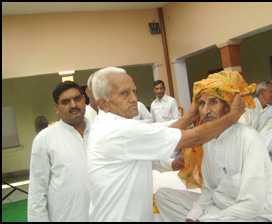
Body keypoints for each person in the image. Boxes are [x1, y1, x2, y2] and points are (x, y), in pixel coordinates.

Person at [87, 66, 245, 222]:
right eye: (124, 93)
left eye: (134, 91)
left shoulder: (108, 125)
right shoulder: (120, 129)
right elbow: (193, 137)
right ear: (103, 104)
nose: (134, 99)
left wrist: (190, 117)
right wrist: (233, 116)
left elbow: (153, 135)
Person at [155, 71, 272, 222]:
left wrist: (208, 218)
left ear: (227, 107)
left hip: (250, 215)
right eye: (201, 104)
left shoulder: (248, 139)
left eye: (213, 102)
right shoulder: (207, 141)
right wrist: (193, 215)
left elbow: (253, 204)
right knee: (164, 196)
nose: (206, 111)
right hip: (217, 207)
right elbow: (208, 191)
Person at [28, 81, 91, 222]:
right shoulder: (45, 139)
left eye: (77, 99)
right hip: (68, 217)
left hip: (104, 215)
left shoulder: (100, 131)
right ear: (56, 107)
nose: (73, 105)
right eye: (66, 101)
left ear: (83, 100)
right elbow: (36, 192)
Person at [238, 80, 272, 156]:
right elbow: (243, 127)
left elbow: (269, 126)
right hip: (247, 142)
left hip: (262, 142)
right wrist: (253, 141)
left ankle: (256, 156)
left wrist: (257, 141)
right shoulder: (248, 105)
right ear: (262, 92)